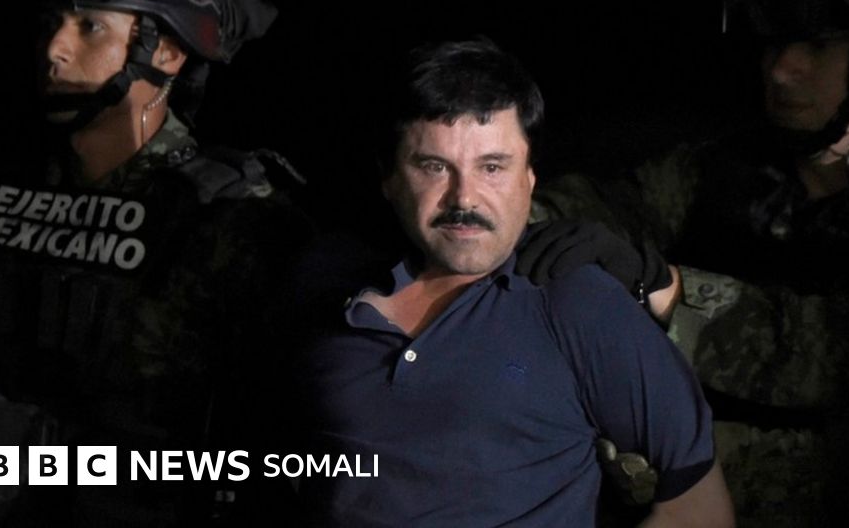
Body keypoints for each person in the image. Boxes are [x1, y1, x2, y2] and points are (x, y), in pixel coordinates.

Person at [532, 0, 849, 526]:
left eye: (817, 45)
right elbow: (608, 207)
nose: (782, 70)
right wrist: (500, 213)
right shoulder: (738, 165)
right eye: (775, 43)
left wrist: (665, 289)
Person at [290, 37, 733, 527]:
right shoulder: (325, 291)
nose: (465, 198)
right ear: (391, 178)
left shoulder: (578, 304)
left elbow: (699, 512)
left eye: (492, 167)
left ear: (529, 176)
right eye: (434, 166)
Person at [0, 0, 311, 525]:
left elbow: (265, 459)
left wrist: (29, 453)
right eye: (51, 23)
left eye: (90, 26)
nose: (55, 49)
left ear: (166, 52)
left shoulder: (232, 220)